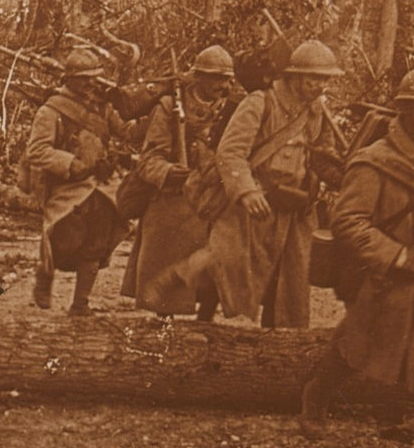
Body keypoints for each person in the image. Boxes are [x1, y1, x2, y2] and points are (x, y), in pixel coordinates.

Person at [299, 65, 414, 448]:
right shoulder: (375, 163)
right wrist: (402, 258)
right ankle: (316, 398)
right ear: (404, 110)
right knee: (356, 347)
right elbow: (349, 223)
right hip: (389, 274)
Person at [146, 39, 342, 327]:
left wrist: (345, 176)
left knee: (291, 281)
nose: (320, 86)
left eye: (325, 79)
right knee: (225, 262)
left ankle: (281, 346)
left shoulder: (316, 111)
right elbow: (231, 152)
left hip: (293, 209)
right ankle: (179, 285)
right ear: (295, 75)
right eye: (314, 78)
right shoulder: (260, 103)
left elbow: (322, 157)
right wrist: (246, 192)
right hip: (252, 203)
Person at [121, 45, 238, 318]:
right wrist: (168, 172)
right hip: (175, 196)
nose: (222, 85)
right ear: (198, 77)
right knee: (167, 245)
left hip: (214, 193)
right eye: (215, 78)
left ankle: (206, 320)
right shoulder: (169, 106)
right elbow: (149, 158)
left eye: (226, 78)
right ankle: (165, 321)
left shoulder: (232, 109)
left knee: (223, 253)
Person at [23, 48, 130, 315]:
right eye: (84, 78)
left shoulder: (102, 108)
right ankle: (44, 275)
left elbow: (127, 131)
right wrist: (70, 163)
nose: (91, 83)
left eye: (94, 77)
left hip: (99, 186)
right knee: (63, 242)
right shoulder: (51, 111)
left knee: (96, 244)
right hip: (65, 188)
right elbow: (36, 151)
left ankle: (80, 304)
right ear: (68, 79)